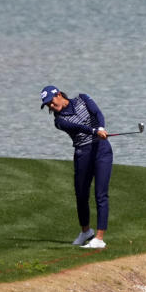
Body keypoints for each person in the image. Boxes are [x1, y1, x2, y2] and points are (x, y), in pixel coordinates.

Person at [41, 85, 112, 249]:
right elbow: (79, 128)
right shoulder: (59, 121)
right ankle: (86, 231)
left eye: (51, 102)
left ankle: (99, 238)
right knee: (81, 195)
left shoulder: (83, 98)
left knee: (101, 194)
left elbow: (97, 113)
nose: (51, 106)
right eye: (47, 105)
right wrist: (95, 131)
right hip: (83, 153)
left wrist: (100, 127)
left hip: (101, 150)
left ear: (58, 95)